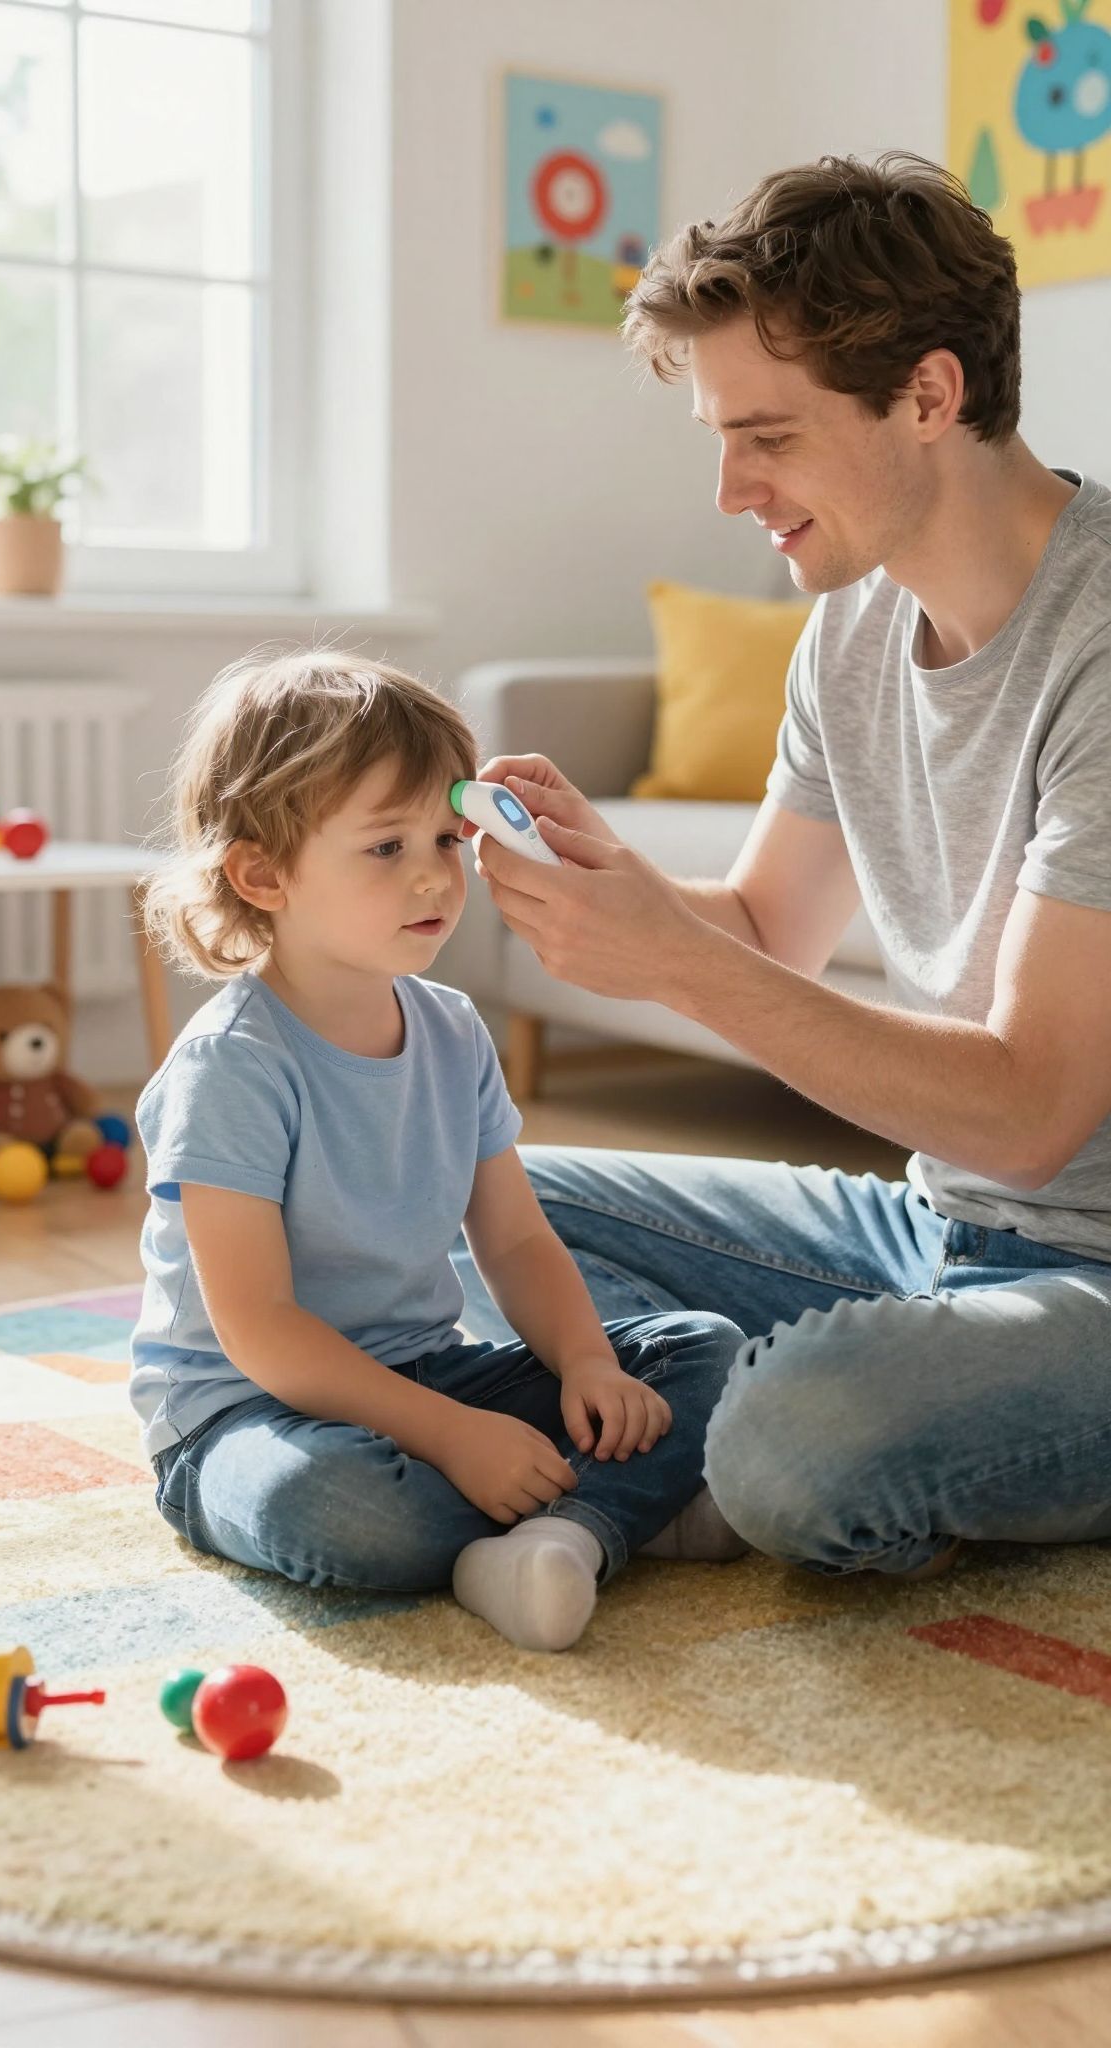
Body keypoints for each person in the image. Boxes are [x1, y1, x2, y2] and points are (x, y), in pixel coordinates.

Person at [470, 152, 1111, 1583]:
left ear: (931, 396)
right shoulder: (855, 627)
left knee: (800, 1446)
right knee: (471, 1193)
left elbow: (1029, 1116)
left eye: (766, 435)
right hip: (936, 1233)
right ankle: (735, 1416)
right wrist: (600, 885)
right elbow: (767, 923)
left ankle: (707, 1439)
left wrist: (675, 961)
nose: (726, 489)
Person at [130, 652, 745, 1654]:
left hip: (428, 1370)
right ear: (262, 873)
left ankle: (562, 1533)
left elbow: (515, 1240)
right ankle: (620, 1509)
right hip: (249, 1419)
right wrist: (453, 1436)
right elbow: (260, 1327)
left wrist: (587, 1361)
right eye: (385, 847)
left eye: (448, 839)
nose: (434, 874)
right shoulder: (232, 1067)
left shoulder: (455, 1030)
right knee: (335, 1506)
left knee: (699, 1350)